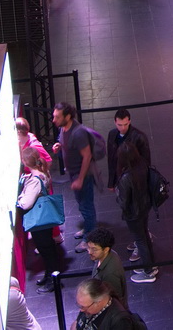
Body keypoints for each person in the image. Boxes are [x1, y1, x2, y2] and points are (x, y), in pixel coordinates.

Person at [51, 101, 98, 247]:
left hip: (82, 175)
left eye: (57, 117)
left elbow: (87, 156)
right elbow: (65, 145)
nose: (54, 120)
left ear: (68, 116)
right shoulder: (63, 128)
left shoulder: (78, 133)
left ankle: (90, 238)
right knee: (82, 204)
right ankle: (88, 228)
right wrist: (59, 147)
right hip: (74, 174)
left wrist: (80, 179)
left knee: (86, 206)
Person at [17, 148, 62, 291]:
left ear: (25, 162)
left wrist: (19, 198)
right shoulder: (42, 172)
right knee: (48, 249)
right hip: (44, 219)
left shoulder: (34, 181)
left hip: (39, 221)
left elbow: (26, 203)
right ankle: (49, 275)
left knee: (46, 250)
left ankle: (52, 281)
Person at [113, 143, 158, 284]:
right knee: (144, 236)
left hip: (133, 213)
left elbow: (123, 201)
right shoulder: (142, 165)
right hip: (145, 207)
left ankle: (148, 271)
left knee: (140, 240)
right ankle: (150, 265)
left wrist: (117, 192)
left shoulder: (126, 177)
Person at [105, 108, 151, 194]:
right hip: (120, 178)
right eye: (119, 125)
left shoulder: (139, 137)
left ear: (129, 121)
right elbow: (111, 160)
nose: (123, 128)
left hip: (134, 180)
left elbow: (146, 162)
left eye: (125, 124)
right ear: (115, 122)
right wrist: (111, 182)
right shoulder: (112, 134)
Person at [84, 228, 128, 307]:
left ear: (106, 249)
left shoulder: (110, 273)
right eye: (88, 247)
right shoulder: (105, 255)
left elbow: (115, 299)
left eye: (94, 249)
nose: (89, 252)